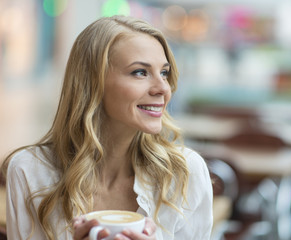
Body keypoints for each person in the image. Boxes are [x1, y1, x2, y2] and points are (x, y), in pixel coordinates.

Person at [1, 15, 213, 240]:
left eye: (164, 73)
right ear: (93, 83)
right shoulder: (30, 171)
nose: (163, 88)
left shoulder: (185, 174)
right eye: (140, 72)